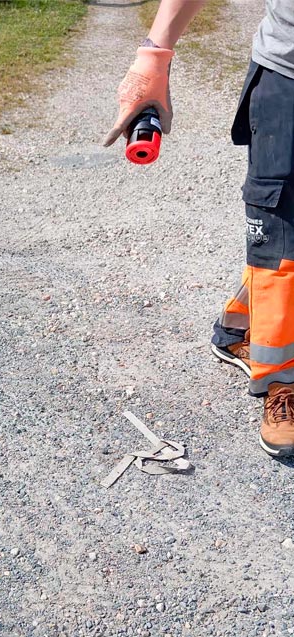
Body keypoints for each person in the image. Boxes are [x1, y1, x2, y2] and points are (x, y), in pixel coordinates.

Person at [104, 0, 294, 457]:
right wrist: (154, 55)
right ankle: (282, 380)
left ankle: (239, 330)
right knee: (280, 235)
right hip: (288, 76)